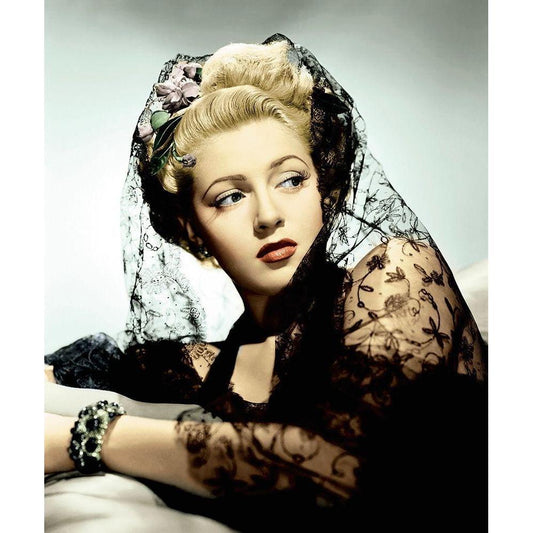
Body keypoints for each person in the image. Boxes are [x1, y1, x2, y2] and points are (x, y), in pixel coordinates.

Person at [45, 34, 487, 532]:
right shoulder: (197, 371)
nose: (269, 215)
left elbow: (340, 468)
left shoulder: (398, 275)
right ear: (192, 228)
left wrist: (84, 438)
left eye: (291, 180)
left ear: (324, 188)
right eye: (230, 197)